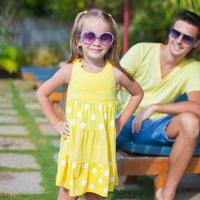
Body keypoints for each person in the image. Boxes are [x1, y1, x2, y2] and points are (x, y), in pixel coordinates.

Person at [36, 8, 143, 200]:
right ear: (78, 40)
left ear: (111, 43)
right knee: (68, 194)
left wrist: (120, 122)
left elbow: (137, 93)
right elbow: (42, 93)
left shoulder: (115, 73)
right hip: (75, 146)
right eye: (90, 36)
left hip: (101, 149)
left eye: (104, 37)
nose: (96, 42)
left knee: (95, 196)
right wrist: (56, 122)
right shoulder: (69, 70)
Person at [117, 10, 200, 200]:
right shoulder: (141, 50)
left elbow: (197, 107)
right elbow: (113, 83)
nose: (178, 40)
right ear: (169, 33)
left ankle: (166, 194)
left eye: (187, 38)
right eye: (175, 33)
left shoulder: (193, 68)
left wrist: (156, 107)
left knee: (191, 122)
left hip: (153, 126)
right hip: (121, 120)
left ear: (196, 43)